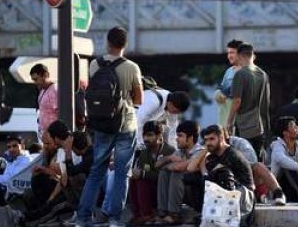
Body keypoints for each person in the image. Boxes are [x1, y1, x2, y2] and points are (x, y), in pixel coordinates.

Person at [76, 27, 143, 227]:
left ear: (107, 42)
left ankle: (82, 218)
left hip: (102, 125)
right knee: (122, 173)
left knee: (96, 171)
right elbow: (138, 98)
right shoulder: (132, 67)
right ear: (125, 44)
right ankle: (114, 219)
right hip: (125, 125)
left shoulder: (95, 65)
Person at [200, 124, 256, 226]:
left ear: (221, 138)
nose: (208, 143)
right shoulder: (214, 154)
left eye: (212, 139)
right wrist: (204, 153)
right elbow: (195, 170)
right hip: (227, 191)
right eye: (206, 140)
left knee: (223, 173)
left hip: (244, 193)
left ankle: (227, 218)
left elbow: (223, 177)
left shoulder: (232, 154)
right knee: (194, 179)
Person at [152, 120, 204, 225]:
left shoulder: (199, 151)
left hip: (197, 193)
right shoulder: (180, 151)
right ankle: (163, 212)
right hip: (184, 190)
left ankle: (173, 214)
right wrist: (169, 158)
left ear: (190, 138)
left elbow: (178, 168)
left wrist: (172, 166)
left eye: (180, 136)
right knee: (163, 172)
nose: (176, 139)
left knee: (176, 174)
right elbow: (156, 165)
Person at [226, 43, 270, 158]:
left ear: (239, 56)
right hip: (260, 126)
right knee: (258, 161)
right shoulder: (263, 74)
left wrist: (229, 122)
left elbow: (237, 101)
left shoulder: (240, 74)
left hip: (245, 126)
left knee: (245, 161)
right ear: (252, 55)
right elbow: (266, 102)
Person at [128, 121, 176, 225]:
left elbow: (165, 176)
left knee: (141, 178)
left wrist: (144, 174)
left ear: (159, 135)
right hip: (150, 190)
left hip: (165, 192)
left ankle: (147, 214)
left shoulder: (169, 151)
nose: (146, 139)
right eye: (144, 135)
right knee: (134, 179)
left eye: (150, 135)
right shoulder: (144, 153)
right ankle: (138, 215)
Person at [214, 39, 244, 127]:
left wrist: (230, 122)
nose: (229, 56)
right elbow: (222, 92)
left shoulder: (246, 72)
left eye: (232, 53)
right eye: (228, 53)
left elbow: (237, 99)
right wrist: (218, 94)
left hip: (236, 124)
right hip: (223, 123)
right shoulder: (229, 71)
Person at [30, 63, 58, 140]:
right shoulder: (42, 91)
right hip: (47, 136)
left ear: (45, 75)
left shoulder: (54, 90)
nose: (35, 83)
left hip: (54, 136)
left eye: (36, 79)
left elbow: (60, 113)